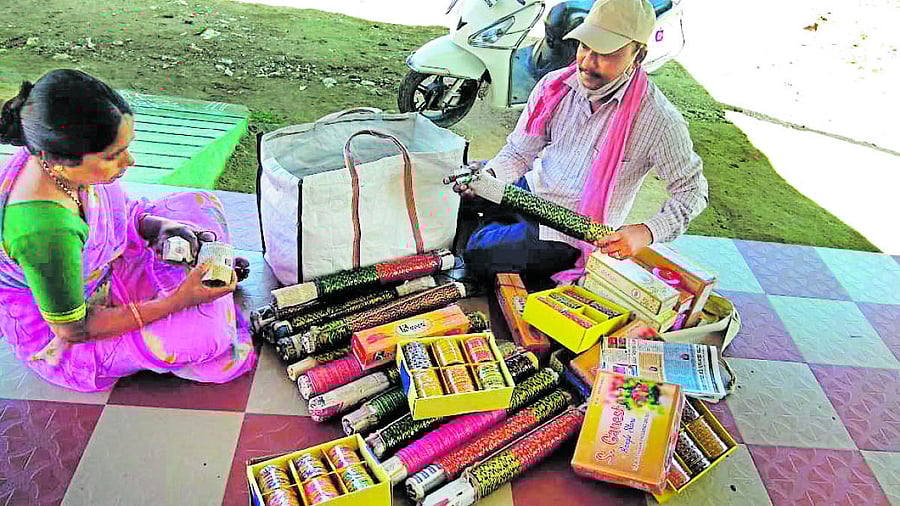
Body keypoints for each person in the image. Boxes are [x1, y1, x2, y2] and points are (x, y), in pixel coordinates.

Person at [0, 69, 256, 392]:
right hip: (74, 332)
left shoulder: (55, 159)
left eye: (127, 147)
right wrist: (178, 300)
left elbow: (124, 213)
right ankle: (199, 303)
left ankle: (201, 295)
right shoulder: (44, 231)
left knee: (202, 203)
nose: (130, 161)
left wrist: (162, 228)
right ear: (61, 161)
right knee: (209, 337)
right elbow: (73, 328)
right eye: (113, 156)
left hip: (107, 269)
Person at [452, 0, 708, 286]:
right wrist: (489, 178)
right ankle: (500, 227)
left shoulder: (659, 121)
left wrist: (644, 232)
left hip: (571, 229)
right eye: (585, 46)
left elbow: (692, 192)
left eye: (605, 53)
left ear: (639, 55)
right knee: (461, 194)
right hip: (531, 189)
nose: (587, 62)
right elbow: (519, 153)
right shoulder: (555, 87)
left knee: (479, 252)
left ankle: (501, 234)